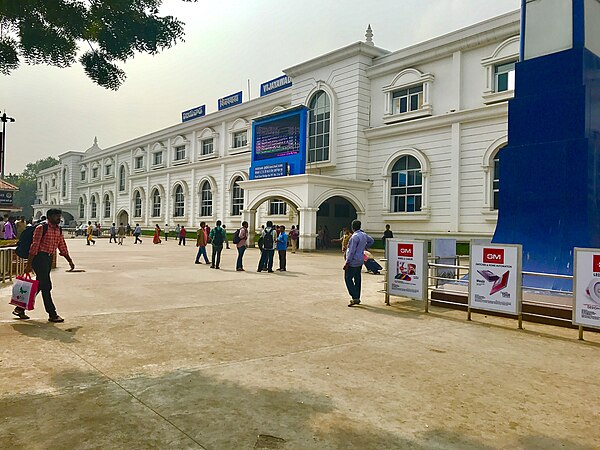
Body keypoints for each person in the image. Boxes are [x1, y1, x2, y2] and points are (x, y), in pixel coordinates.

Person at [12, 208, 75, 322]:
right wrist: (29, 264)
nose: (59, 218)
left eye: (59, 216)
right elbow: (34, 246)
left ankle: (20, 308)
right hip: (39, 258)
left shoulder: (58, 230)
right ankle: (52, 313)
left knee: (40, 285)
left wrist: (69, 260)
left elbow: (62, 246)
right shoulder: (41, 228)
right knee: (46, 286)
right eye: (56, 216)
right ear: (49, 217)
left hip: (48, 258)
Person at [344, 219, 374, 307]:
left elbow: (351, 251)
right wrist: (364, 247)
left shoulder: (354, 237)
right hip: (360, 260)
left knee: (348, 278)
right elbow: (371, 241)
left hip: (353, 261)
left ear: (352, 228)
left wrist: (347, 262)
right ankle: (357, 296)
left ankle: (354, 296)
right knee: (357, 278)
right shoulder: (364, 235)